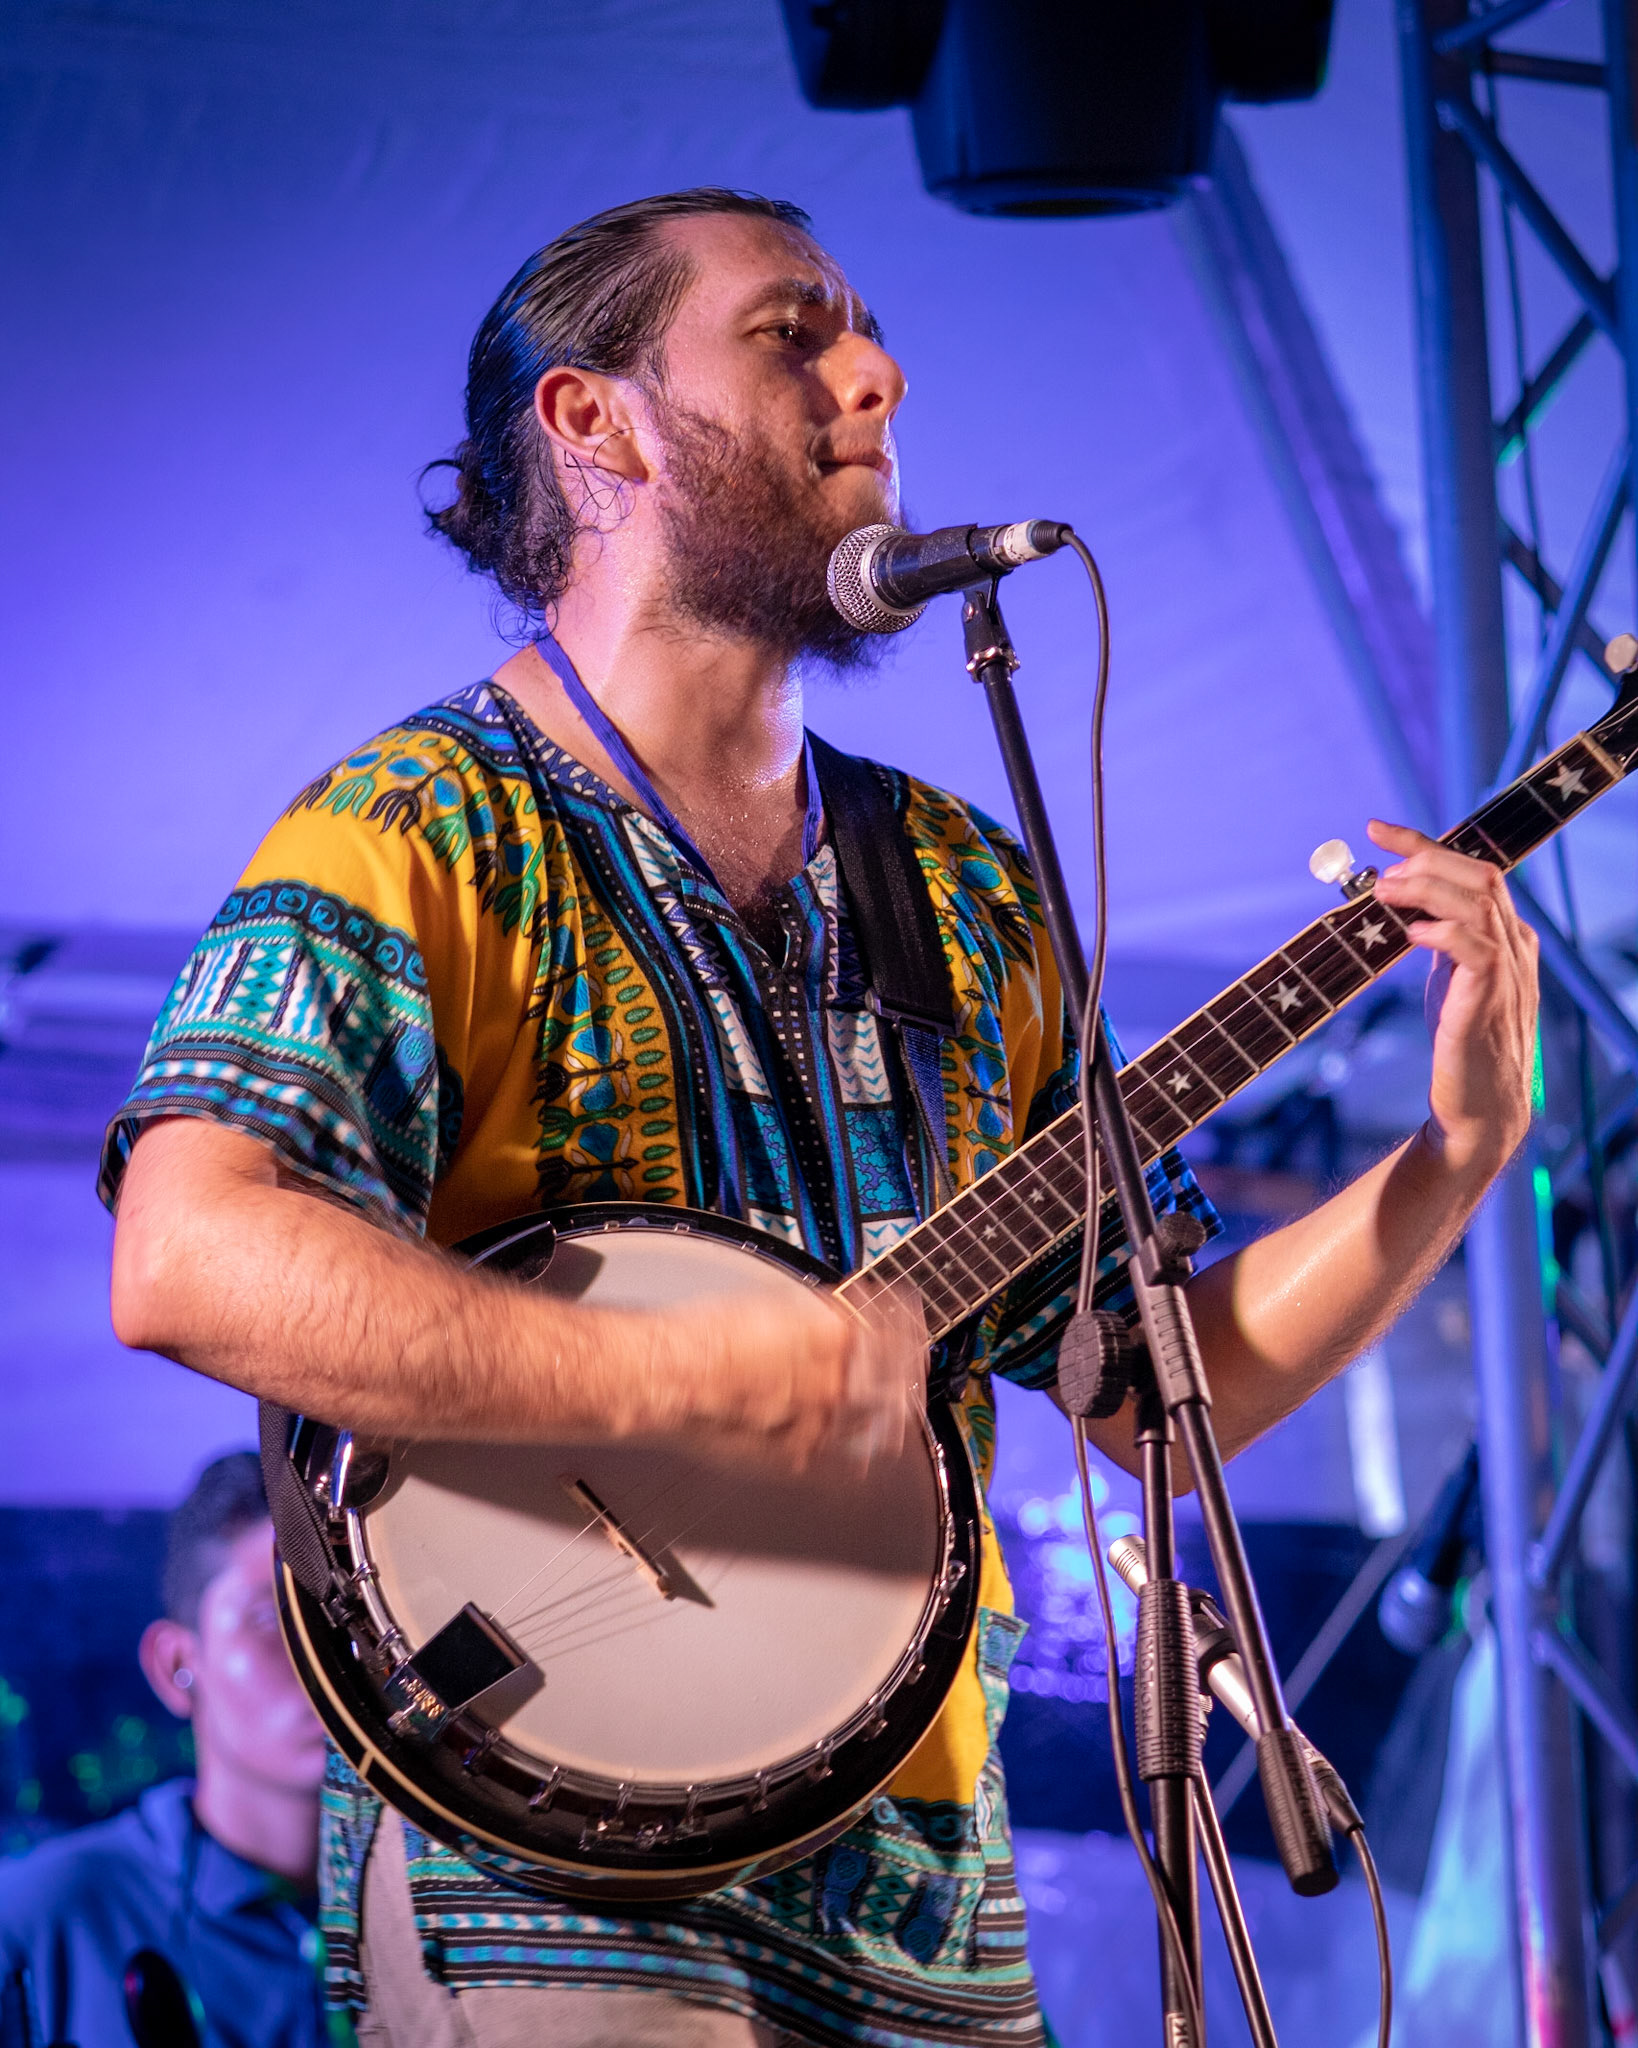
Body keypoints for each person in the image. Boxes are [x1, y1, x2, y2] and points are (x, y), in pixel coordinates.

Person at [99, 188, 1538, 2048]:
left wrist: (1453, 1156)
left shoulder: (963, 886)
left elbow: (1158, 1386)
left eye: (858, 335)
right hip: (551, 1866)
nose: (876, 372)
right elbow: (190, 1251)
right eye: (792, 332)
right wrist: (679, 1381)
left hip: (924, 1881)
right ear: (593, 422)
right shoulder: (417, 829)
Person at [0, 1454, 331, 2048]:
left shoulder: (444, 1911)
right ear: (177, 1665)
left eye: (344, 1621)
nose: (326, 1663)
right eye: (271, 1618)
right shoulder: (40, 1918)